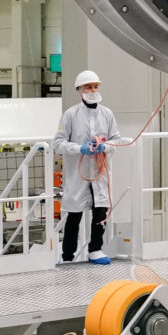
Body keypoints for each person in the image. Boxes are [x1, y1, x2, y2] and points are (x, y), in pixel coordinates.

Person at [53, 70, 119, 266]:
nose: (93, 90)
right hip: (78, 173)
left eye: (95, 86)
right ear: (79, 89)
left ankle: (95, 249)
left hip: (100, 172)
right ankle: (67, 255)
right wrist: (80, 148)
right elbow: (58, 143)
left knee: (100, 211)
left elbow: (116, 140)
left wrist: (104, 146)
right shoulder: (70, 115)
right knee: (74, 215)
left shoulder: (107, 114)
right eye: (88, 87)